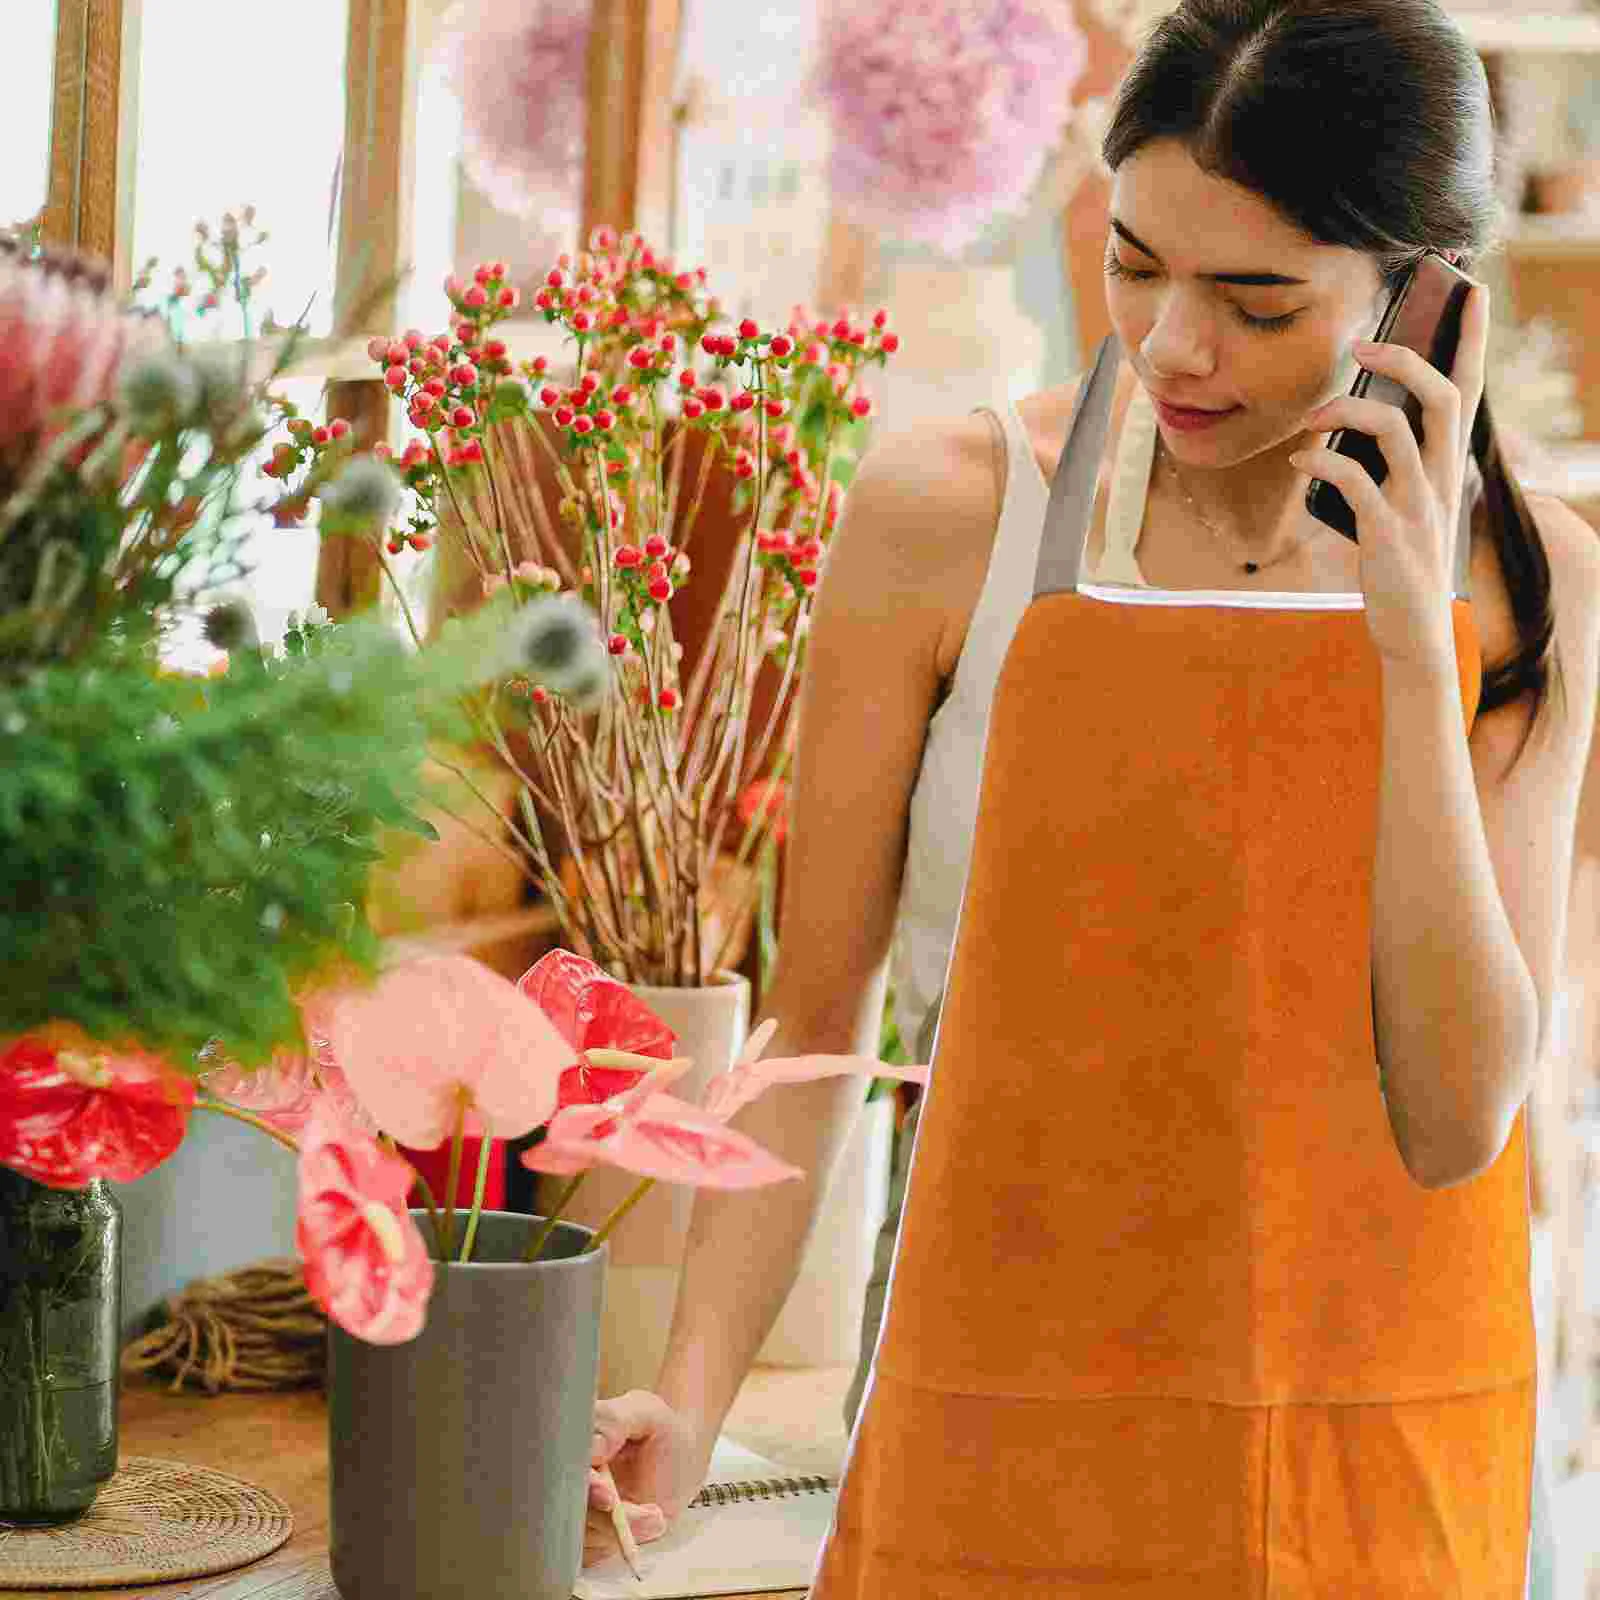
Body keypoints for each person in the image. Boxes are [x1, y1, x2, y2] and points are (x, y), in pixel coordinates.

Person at [586, 0, 1600, 1590]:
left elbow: (1464, 1110)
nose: (1174, 344)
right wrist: (694, 1401)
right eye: (1138, 263)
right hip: (999, 1415)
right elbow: (813, 1023)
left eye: (1256, 300)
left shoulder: (1535, 592)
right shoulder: (945, 516)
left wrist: (1409, 652)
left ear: (1428, 305)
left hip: (1385, 1452)